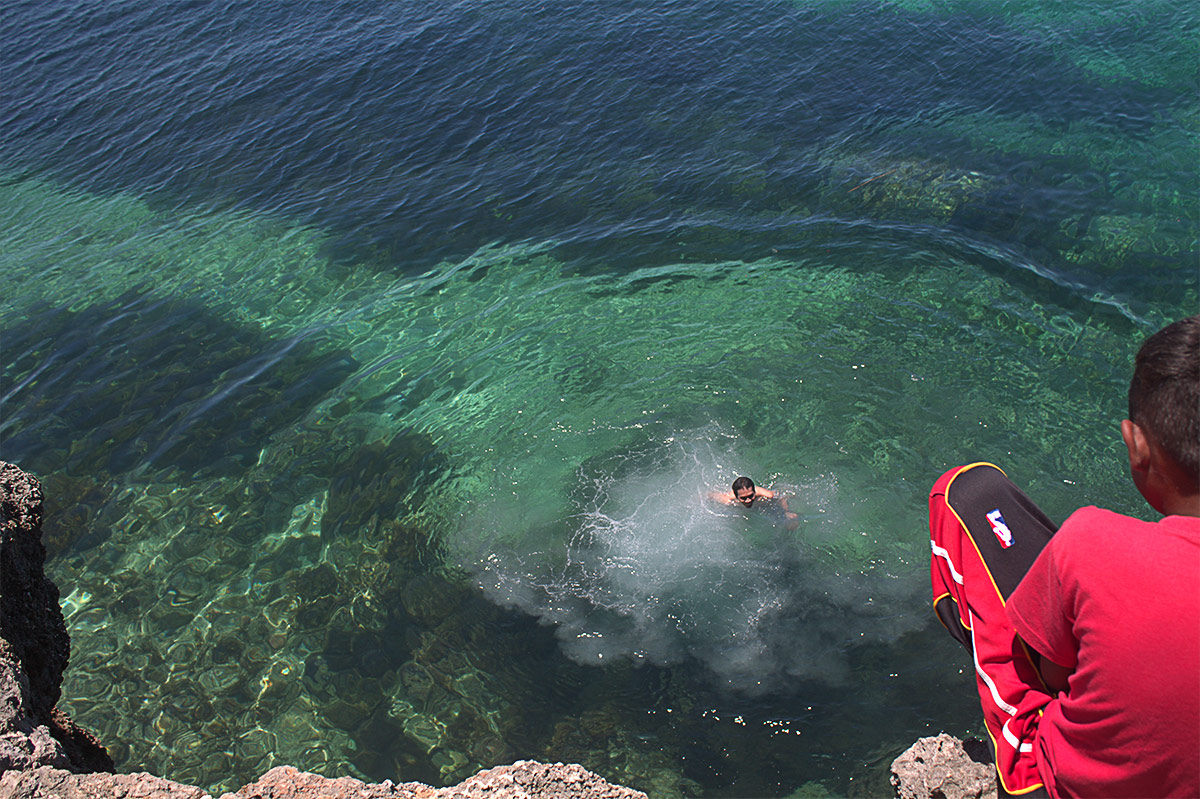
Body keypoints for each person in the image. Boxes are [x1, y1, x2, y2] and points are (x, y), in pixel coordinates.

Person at [928, 315, 1199, 798]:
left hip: (1065, 781)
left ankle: (963, 625)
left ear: (1135, 445)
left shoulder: (1093, 540)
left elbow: (1056, 672)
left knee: (966, 490)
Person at [710, 476, 800, 529]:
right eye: (743, 498)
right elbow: (710, 495)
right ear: (737, 496)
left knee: (792, 523)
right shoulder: (729, 499)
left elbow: (782, 496)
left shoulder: (767, 496)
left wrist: (786, 511)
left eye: (750, 496)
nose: (748, 500)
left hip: (765, 506)